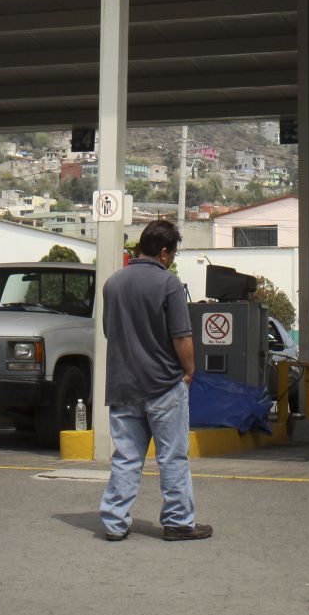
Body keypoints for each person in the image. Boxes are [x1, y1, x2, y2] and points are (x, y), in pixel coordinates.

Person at [98, 219, 211, 543]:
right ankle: (177, 521)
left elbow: (110, 332)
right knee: (172, 457)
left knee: (126, 457)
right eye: (172, 254)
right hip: (163, 386)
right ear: (164, 253)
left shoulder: (113, 284)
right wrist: (189, 371)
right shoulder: (168, 284)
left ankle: (114, 522)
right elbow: (181, 336)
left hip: (123, 387)